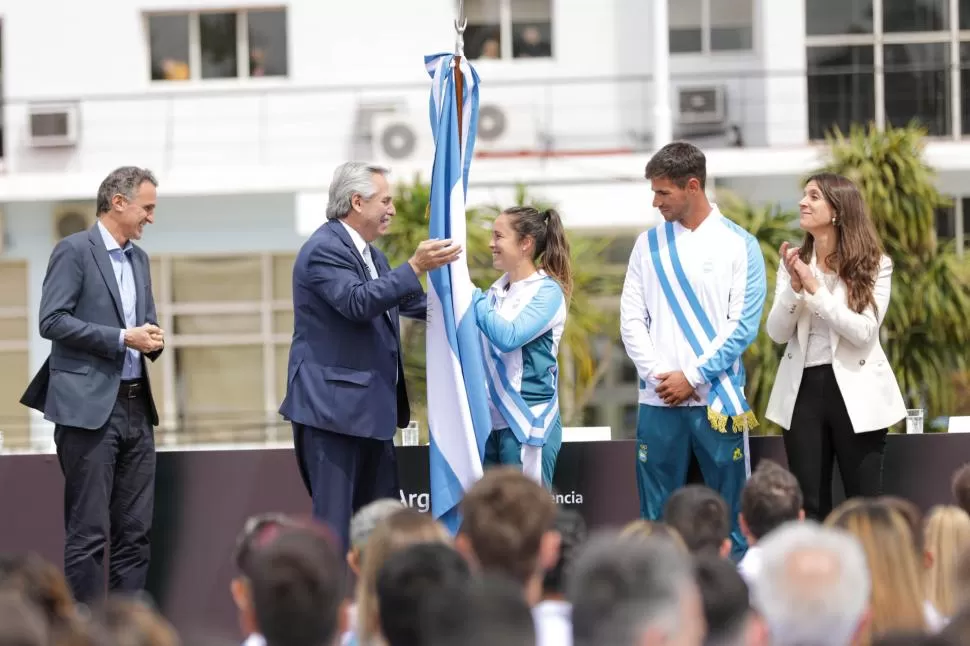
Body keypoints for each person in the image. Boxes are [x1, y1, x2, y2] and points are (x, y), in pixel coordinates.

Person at [278, 161, 461, 552]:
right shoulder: (323, 249)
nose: (392, 210)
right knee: (336, 529)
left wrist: (467, 308)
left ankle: (377, 609)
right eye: (386, 200)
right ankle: (338, 611)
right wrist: (414, 266)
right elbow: (357, 302)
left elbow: (411, 302)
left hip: (371, 414)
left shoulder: (371, 257)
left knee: (382, 530)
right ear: (357, 202)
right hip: (332, 414)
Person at [19, 166, 164, 605]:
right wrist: (123, 338)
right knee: (88, 534)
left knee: (135, 534)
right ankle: (83, 632)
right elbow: (51, 320)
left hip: (138, 410)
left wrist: (151, 337)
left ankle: (127, 631)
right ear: (118, 202)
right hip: (88, 411)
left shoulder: (139, 259)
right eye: (147, 208)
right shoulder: (73, 250)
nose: (151, 219)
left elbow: (144, 323)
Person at [620, 141, 767, 560]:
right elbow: (631, 320)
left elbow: (742, 327)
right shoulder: (646, 245)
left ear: (693, 186)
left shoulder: (741, 245)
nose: (655, 201)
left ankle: (734, 597)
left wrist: (693, 377)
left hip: (718, 402)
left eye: (663, 192)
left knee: (731, 510)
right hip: (658, 398)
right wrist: (659, 376)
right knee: (656, 516)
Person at [765, 173, 906, 521]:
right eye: (804, 195)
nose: (803, 202)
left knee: (864, 506)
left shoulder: (875, 263)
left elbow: (864, 331)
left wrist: (816, 289)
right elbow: (777, 333)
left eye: (814, 196)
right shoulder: (794, 262)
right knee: (809, 504)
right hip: (802, 392)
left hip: (857, 393)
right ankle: (817, 574)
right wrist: (795, 287)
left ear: (838, 211)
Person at [473, 206, 572, 487]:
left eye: (499, 236)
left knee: (528, 520)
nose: (491, 244)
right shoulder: (493, 293)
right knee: (491, 524)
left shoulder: (547, 292)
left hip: (528, 420)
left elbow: (510, 336)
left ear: (525, 243)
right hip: (491, 425)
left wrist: (470, 297)